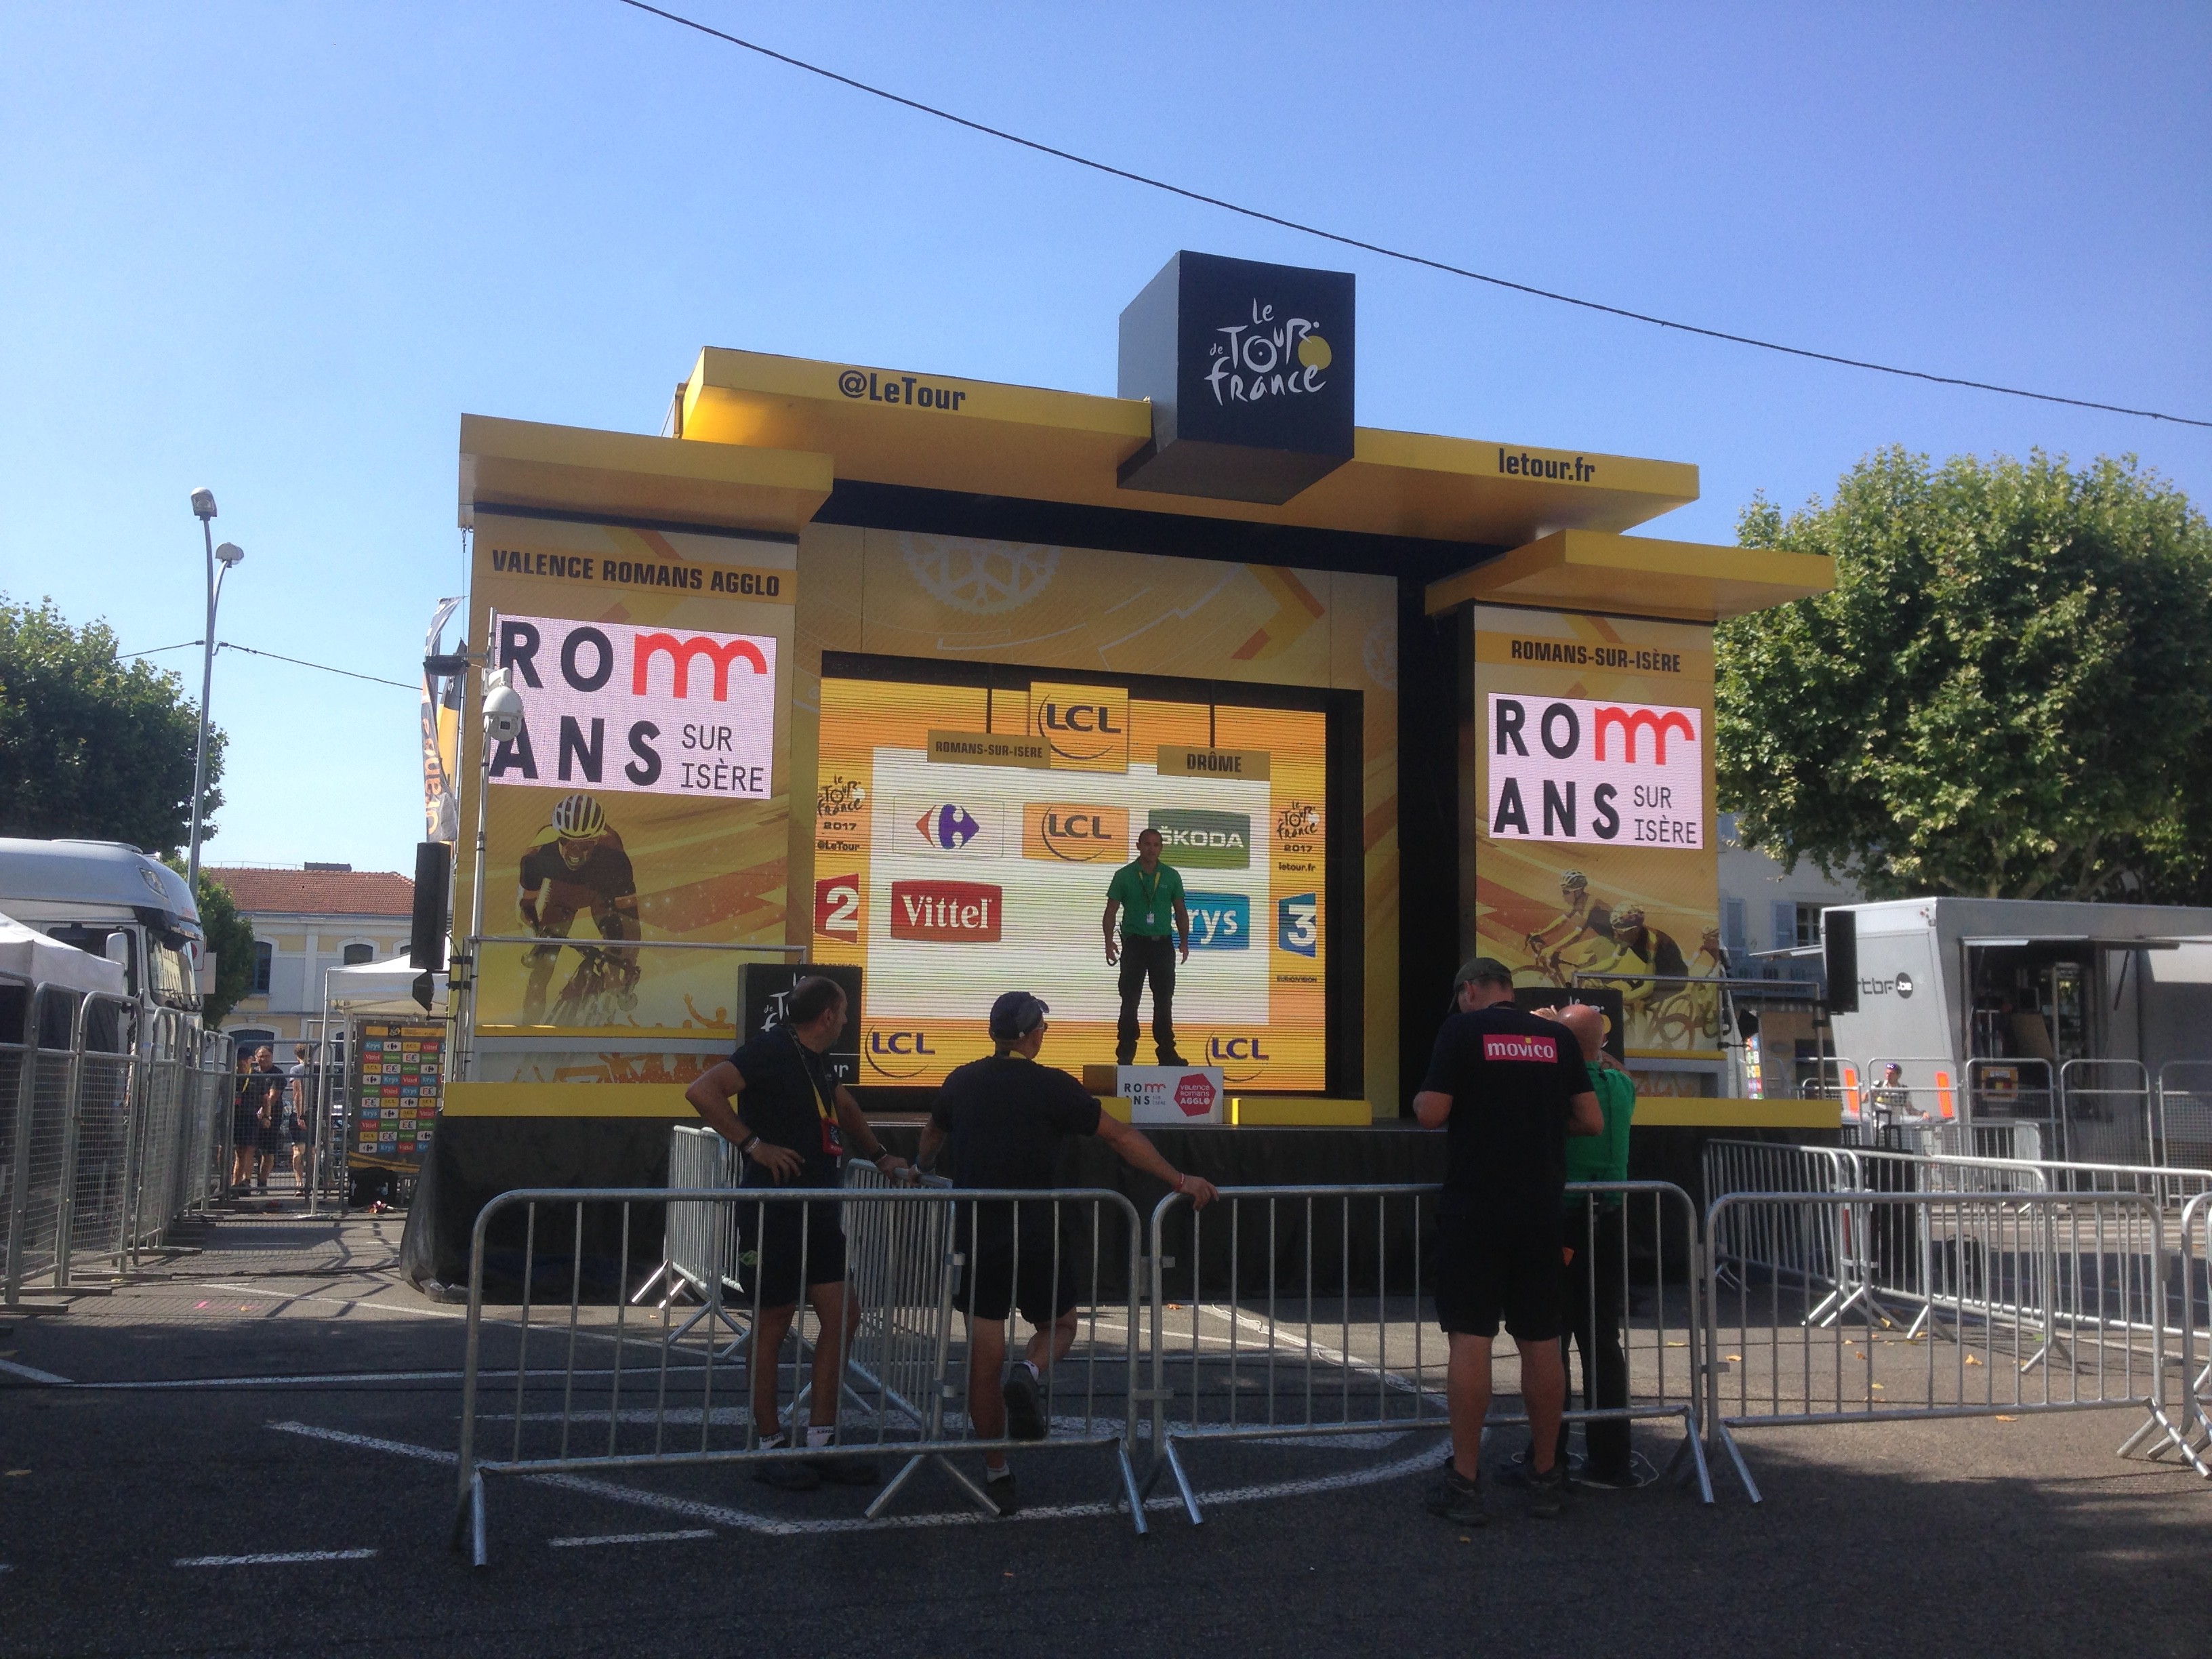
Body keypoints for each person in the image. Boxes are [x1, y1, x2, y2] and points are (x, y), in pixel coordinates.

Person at [918, 990, 1217, 1515]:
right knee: (1059, 1326)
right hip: (1036, 1232)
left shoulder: (961, 1080)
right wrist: (1177, 1178)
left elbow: (931, 1135)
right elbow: (1119, 1137)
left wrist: (919, 1171)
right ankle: (1030, 1374)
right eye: (1044, 1029)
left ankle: (997, 1472)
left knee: (983, 1360)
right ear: (1033, 1035)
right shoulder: (1053, 1085)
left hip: (978, 1235)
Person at [682, 976, 910, 1491]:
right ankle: (768, 1444)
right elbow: (702, 1091)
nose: (847, 1020)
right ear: (828, 1015)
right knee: (774, 1322)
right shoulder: (769, 1049)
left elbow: (842, 1105)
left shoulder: (818, 1061)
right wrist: (753, 1145)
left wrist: (880, 1155)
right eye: (845, 1011)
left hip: (819, 1208)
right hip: (774, 1210)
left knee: (844, 1314)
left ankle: (821, 1442)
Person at [1414, 959, 1602, 1525]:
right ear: (1509, 991)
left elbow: (1431, 1113)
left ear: (1469, 991)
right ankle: (1546, 1476)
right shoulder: (1555, 1038)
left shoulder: (1462, 1030)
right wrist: (1535, 1121)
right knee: (1542, 1341)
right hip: (1541, 1210)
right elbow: (1591, 1120)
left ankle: (1465, 1482)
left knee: (1471, 1340)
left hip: (1476, 1208)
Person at [1540, 1002, 1637, 1490]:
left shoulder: (1562, 1088)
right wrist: (1576, 1038)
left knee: (1550, 1339)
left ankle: (1549, 1455)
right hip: (1608, 1222)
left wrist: (1542, 1032)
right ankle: (1611, 1458)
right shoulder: (1620, 1085)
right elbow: (1609, 1062)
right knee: (1602, 1342)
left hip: (1564, 1221)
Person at [516, 792, 641, 1025]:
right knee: (541, 969)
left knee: (618, 957)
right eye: (566, 842)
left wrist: (626, 963)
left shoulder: (614, 854)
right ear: (557, 836)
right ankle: (528, 1028)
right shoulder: (539, 852)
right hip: (563, 894)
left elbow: (631, 919)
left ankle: (611, 997)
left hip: (602, 892)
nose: (574, 853)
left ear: (597, 840)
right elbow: (525, 907)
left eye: (584, 846)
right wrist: (536, 936)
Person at [1101, 827, 1189, 1066]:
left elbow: (1181, 911)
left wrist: (1184, 941)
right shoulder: (1124, 875)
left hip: (1162, 945)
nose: (1151, 849)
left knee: (1164, 1000)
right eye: (1147, 844)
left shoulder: (1171, 876)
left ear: (1161, 848)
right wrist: (1108, 941)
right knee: (1130, 999)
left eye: (1156, 845)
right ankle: (1125, 1052)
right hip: (1134, 945)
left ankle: (1167, 1052)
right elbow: (1110, 911)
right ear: (1138, 846)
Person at [247, 1046, 284, 1195]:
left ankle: (262, 1184)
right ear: (255, 1058)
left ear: (272, 1057)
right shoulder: (252, 1073)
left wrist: (262, 1114)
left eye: (267, 1056)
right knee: (248, 1149)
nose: (264, 1059)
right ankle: (245, 1182)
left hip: (272, 1118)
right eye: (261, 1056)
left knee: (268, 1152)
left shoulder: (277, 1074)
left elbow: (273, 1097)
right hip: (250, 1117)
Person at [285, 1044, 316, 1200]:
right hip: (317, 1114)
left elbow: (297, 1093)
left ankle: (299, 1183)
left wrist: (299, 1115)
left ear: (297, 1055)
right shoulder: (320, 1069)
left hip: (302, 1113)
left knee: (299, 1150)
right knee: (312, 1152)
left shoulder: (296, 1070)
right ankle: (309, 1184)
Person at [229, 1050, 258, 1194]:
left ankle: (237, 1184)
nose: (240, 1066)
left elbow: (265, 1098)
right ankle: (225, 1182)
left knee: (243, 1152)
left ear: (249, 1061)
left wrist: (266, 1116)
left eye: (243, 1063)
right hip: (230, 1118)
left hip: (247, 1119)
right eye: (238, 1064)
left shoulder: (256, 1077)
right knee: (224, 1151)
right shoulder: (229, 1076)